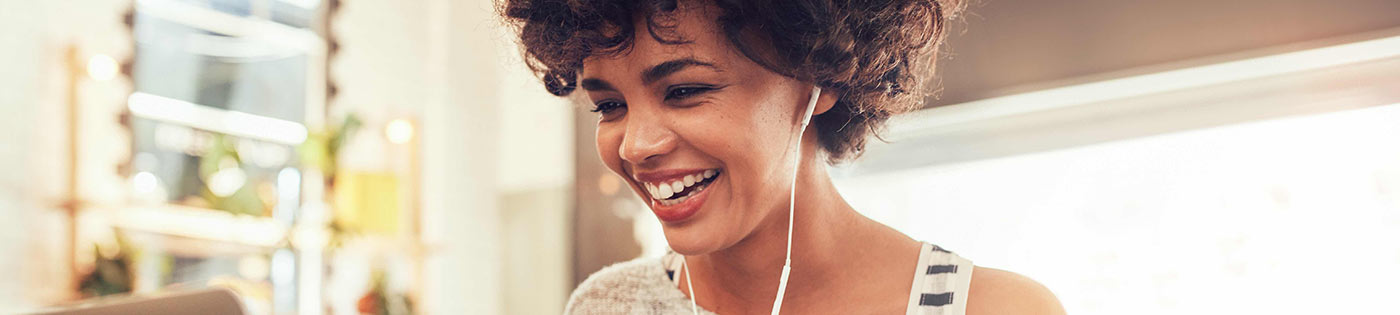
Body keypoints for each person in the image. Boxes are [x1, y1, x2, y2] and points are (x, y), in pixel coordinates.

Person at [500, 0, 1064, 314]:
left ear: (817, 79)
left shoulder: (990, 309)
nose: (636, 145)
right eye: (610, 105)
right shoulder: (607, 308)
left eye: (685, 90)